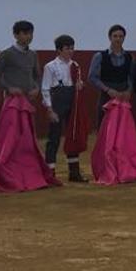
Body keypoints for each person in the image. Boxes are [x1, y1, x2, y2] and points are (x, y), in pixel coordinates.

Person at [40, 33, 88, 182]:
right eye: (67, 48)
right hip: (58, 101)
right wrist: (49, 108)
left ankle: (74, 172)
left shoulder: (76, 65)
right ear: (59, 50)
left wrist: (80, 85)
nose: (70, 51)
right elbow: (45, 88)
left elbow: (77, 83)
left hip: (72, 100)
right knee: (54, 137)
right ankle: (50, 174)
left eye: (72, 48)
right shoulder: (50, 66)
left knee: (73, 135)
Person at [89, 24, 133, 118]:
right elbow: (92, 77)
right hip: (107, 96)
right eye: (115, 36)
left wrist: (128, 91)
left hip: (123, 96)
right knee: (104, 126)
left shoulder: (129, 57)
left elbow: (130, 76)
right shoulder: (100, 56)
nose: (118, 39)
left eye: (121, 36)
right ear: (110, 37)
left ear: (124, 38)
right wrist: (107, 90)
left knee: (122, 127)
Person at [0, 20, 41, 100]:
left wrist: (37, 88)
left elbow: (37, 76)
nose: (29, 36)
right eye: (25, 33)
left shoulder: (33, 54)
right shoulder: (6, 53)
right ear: (15, 35)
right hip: (12, 99)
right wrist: (9, 88)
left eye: (31, 33)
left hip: (29, 99)